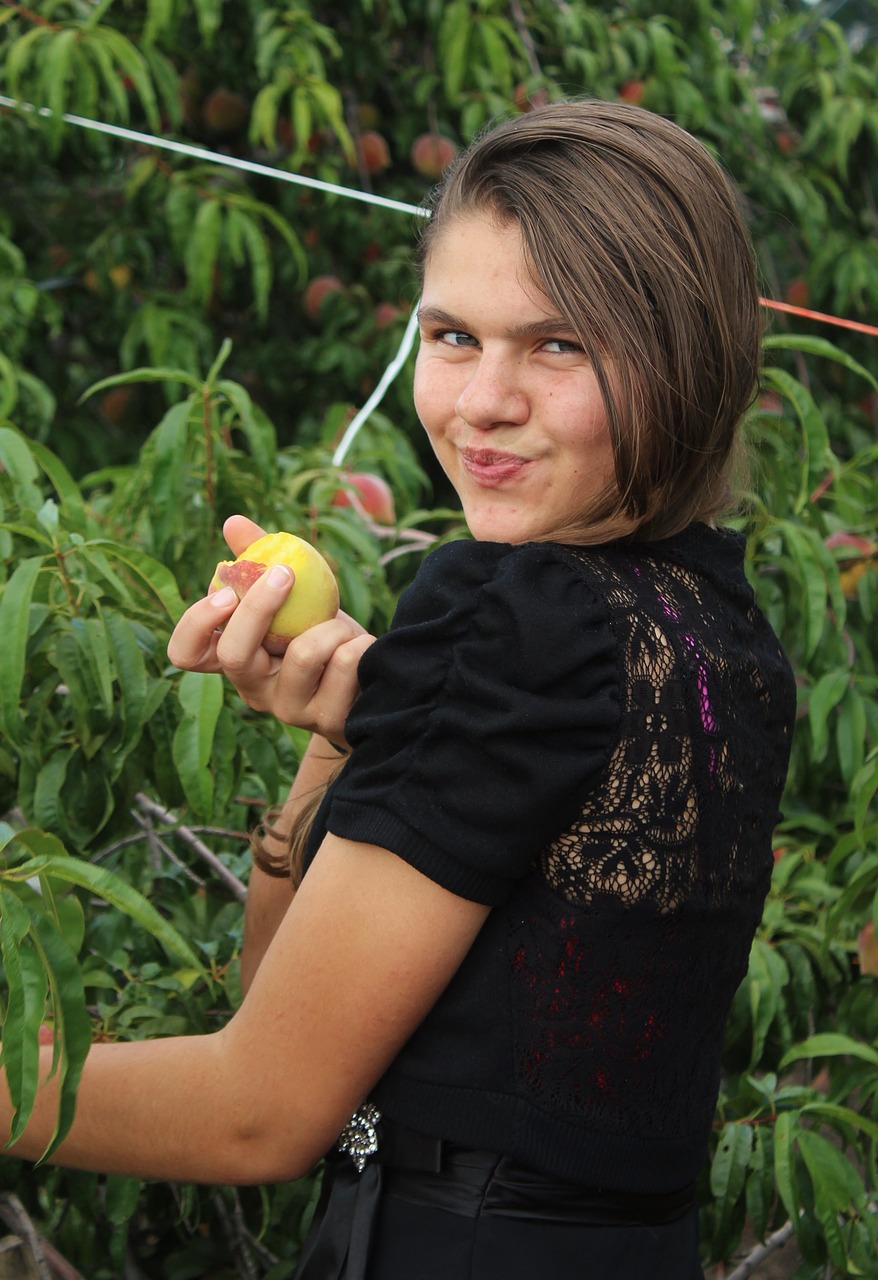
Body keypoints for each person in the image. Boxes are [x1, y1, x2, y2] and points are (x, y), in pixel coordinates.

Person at [1, 100, 796, 1279]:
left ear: (682, 353)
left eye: (558, 344)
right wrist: (347, 739)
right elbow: (285, 1001)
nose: (481, 400)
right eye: (451, 335)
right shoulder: (720, 625)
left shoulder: (516, 610)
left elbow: (257, 1109)